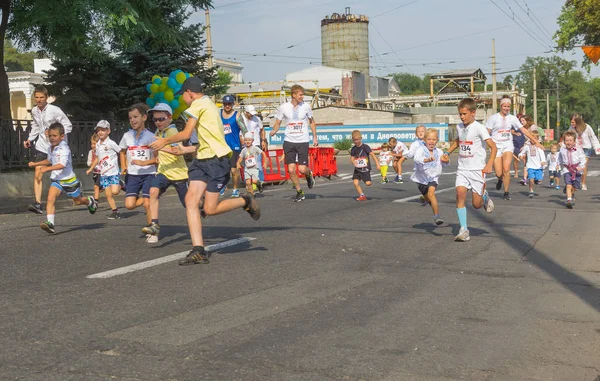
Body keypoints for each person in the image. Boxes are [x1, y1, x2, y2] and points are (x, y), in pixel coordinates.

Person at [149, 76, 260, 265]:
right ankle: (198, 249)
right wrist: (187, 149)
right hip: (202, 160)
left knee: (209, 208)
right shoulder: (208, 104)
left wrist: (164, 141)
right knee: (191, 199)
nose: (182, 98)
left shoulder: (198, 106)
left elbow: (184, 134)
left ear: (189, 93)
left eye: (182, 94)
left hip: (217, 162)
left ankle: (245, 200)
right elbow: (208, 139)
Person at [28, 123, 98, 234]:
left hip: (69, 180)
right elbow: (50, 160)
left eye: (54, 136)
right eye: (50, 136)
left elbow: (62, 164)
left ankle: (90, 201)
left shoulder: (64, 148)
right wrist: (36, 164)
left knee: (78, 201)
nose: (51, 138)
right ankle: (50, 224)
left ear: (62, 136)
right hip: (57, 180)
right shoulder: (50, 148)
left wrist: (46, 169)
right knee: (50, 199)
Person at [445, 98, 496, 242]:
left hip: (477, 170)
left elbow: (493, 147)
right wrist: (447, 153)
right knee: (460, 194)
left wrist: (489, 164)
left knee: (476, 204)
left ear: (473, 113)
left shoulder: (480, 128)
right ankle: (464, 229)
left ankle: (484, 196)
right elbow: (458, 141)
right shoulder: (460, 127)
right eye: (460, 114)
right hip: (462, 168)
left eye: (464, 114)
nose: (462, 117)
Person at [142, 103, 190, 243]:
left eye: (161, 119)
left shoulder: (172, 132)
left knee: (189, 204)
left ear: (169, 117)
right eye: (155, 120)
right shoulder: (158, 133)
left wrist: (161, 146)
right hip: (164, 172)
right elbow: (158, 154)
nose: (158, 122)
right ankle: (154, 225)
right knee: (153, 191)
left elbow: (177, 152)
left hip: (178, 174)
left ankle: (202, 203)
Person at [23, 86, 72, 215]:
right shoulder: (34, 111)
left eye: (41, 97)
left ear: (46, 97)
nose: (39, 100)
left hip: (56, 148)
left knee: (63, 176)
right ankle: (38, 204)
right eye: (37, 97)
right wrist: (30, 139)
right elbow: (35, 126)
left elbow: (68, 125)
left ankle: (77, 191)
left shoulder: (55, 110)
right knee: (37, 171)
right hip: (42, 146)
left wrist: (54, 133)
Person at [485, 96, 541, 200]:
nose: (507, 108)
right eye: (505, 106)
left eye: (508, 106)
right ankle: (500, 180)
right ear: (501, 106)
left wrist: (536, 141)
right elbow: (486, 133)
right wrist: (484, 145)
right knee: (498, 172)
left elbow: (523, 130)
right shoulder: (493, 118)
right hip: (496, 146)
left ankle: (506, 192)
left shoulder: (512, 118)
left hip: (507, 145)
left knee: (506, 169)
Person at [269, 84, 318, 202]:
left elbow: (311, 122)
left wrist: (315, 137)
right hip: (289, 141)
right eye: (301, 95)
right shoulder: (283, 107)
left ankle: (309, 174)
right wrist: (275, 130)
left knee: (301, 169)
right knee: (291, 170)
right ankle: (299, 191)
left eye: (303, 94)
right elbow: (278, 122)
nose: (302, 97)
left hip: (302, 140)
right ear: (294, 95)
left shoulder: (306, 106)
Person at [119, 103, 157, 228]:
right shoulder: (127, 136)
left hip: (149, 174)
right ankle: (148, 200)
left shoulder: (151, 137)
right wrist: (123, 166)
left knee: (147, 204)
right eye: (130, 118)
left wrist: (144, 163)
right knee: (129, 205)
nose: (133, 120)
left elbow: (157, 159)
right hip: (133, 175)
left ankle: (152, 229)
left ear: (144, 117)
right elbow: (122, 151)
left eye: (135, 117)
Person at [411, 128, 450, 225]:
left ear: (437, 140)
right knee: (428, 198)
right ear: (424, 140)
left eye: (433, 139)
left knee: (431, 194)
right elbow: (417, 159)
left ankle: (437, 216)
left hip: (433, 178)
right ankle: (425, 198)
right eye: (429, 139)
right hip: (421, 179)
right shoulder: (420, 149)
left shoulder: (440, 152)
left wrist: (446, 161)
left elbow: (444, 164)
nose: (431, 142)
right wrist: (427, 160)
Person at [87, 120, 123, 219]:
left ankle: (121, 184)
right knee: (108, 194)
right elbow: (97, 158)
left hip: (114, 172)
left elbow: (121, 152)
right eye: (98, 130)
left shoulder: (111, 143)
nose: (100, 132)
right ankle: (115, 212)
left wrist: (124, 165)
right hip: (104, 173)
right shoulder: (98, 144)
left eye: (103, 130)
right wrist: (91, 169)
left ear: (108, 131)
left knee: (115, 192)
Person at [220, 95, 247, 198]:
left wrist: (248, 143)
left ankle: (235, 189)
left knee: (233, 170)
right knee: (222, 169)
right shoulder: (219, 114)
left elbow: (244, 130)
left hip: (234, 146)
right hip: (222, 147)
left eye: (229, 104)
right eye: (225, 104)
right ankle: (222, 185)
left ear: (232, 104)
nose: (227, 106)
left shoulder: (237, 115)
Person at [567, 114, 600, 191]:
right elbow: (568, 136)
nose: (572, 124)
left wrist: (597, 148)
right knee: (575, 166)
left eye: (573, 122)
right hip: (576, 149)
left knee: (583, 166)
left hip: (586, 149)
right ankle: (575, 182)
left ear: (578, 121)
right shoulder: (571, 128)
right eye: (571, 122)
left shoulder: (587, 127)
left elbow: (593, 137)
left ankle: (583, 183)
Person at [558, 131, 587, 209]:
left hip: (577, 170)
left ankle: (572, 192)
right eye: (566, 140)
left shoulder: (578, 150)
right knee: (568, 185)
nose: (568, 142)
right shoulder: (562, 150)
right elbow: (560, 158)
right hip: (567, 170)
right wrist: (558, 164)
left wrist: (581, 166)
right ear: (564, 141)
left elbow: (583, 159)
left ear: (574, 142)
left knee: (575, 187)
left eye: (570, 140)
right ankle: (569, 200)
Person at [350, 130, 379, 201]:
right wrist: (353, 162)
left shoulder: (365, 147)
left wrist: (377, 164)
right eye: (354, 140)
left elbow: (372, 155)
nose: (356, 141)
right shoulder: (353, 149)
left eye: (357, 140)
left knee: (368, 183)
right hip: (357, 169)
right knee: (355, 182)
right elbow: (352, 157)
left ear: (361, 138)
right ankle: (362, 195)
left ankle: (366, 179)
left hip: (365, 169)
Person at [518, 130, 546, 198]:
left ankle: (537, 180)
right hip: (530, 166)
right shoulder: (527, 146)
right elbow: (521, 153)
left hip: (539, 166)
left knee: (539, 180)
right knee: (531, 179)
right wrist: (520, 155)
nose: (533, 140)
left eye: (535, 138)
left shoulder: (539, 147)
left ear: (537, 139)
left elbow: (542, 155)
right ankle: (531, 191)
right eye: (531, 138)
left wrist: (543, 162)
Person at [237, 132, 266, 197]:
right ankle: (252, 193)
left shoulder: (255, 148)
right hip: (247, 169)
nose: (248, 142)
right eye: (246, 140)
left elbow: (263, 154)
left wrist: (265, 162)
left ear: (252, 141)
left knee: (254, 181)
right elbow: (241, 157)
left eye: (249, 140)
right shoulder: (243, 150)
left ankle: (259, 184)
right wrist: (238, 163)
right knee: (248, 182)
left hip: (255, 168)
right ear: (244, 141)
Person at [87, 134, 102, 201]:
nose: (92, 145)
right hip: (95, 172)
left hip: (102, 172)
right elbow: (88, 163)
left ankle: (95, 202)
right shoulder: (91, 152)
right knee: (98, 188)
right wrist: (93, 163)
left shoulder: (102, 151)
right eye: (91, 144)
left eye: (94, 143)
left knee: (96, 187)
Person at [512, 114, 527, 179]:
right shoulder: (515, 126)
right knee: (516, 160)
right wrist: (516, 133)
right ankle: (516, 173)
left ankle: (526, 173)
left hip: (522, 144)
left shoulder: (526, 127)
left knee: (525, 160)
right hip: (516, 144)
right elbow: (512, 132)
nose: (521, 122)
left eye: (522, 120)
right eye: (519, 119)